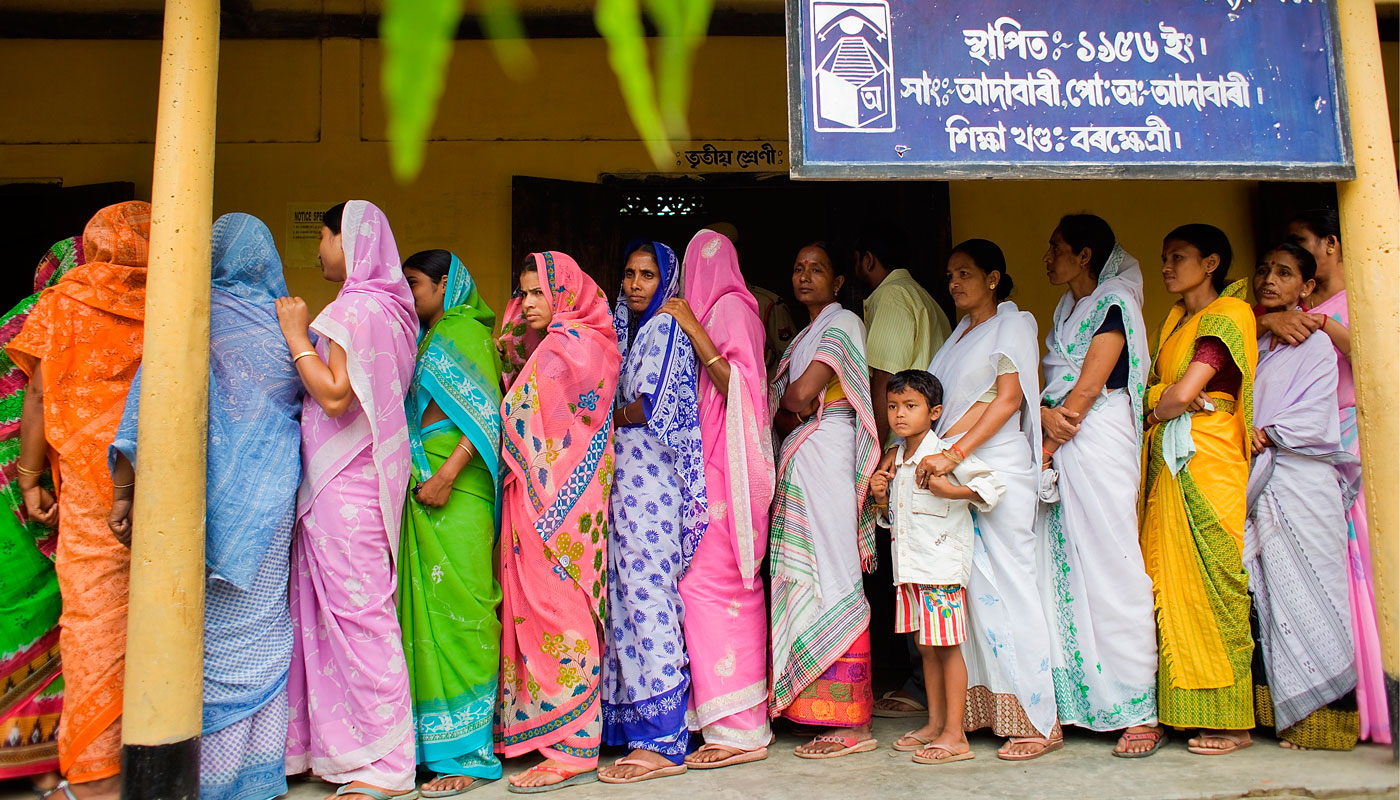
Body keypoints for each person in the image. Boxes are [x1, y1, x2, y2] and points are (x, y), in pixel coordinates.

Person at [108, 213, 302, 800]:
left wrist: (123, 493)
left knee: (212, 638)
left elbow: (148, 405)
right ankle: (259, 775)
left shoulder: (192, 318)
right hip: (272, 505)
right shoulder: (291, 326)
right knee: (263, 627)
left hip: (205, 509)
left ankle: (212, 777)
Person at [8, 201, 152, 800]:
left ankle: (97, 775)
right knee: (164, 614)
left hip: (91, 486)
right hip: (163, 475)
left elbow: (38, 395)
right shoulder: (175, 302)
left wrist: (29, 476)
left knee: (94, 618)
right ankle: (157, 757)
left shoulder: (61, 302)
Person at [278, 201, 419, 799]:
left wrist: (296, 336)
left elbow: (336, 396)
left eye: (325, 237)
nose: (319, 249)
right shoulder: (395, 312)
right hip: (366, 480)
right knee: (353, 616)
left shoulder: (354, 309)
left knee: (358, 621)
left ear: (349, 241)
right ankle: (351, 754)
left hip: (344, 486)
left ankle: (387, 765)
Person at [917, 239, 1058, 760]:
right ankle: (981, 714)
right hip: (956, 468)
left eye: (966, 273)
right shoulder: (957, 337)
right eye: (950, 275)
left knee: (1012, 589)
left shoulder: (1012, 323)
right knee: (972, 596)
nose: (955, 283)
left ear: (993, 278)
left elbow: (1007, 398)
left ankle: (1037, 721)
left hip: (997, 468)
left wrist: (952, 453)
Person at [1035, 215, 1162, 756]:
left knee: (1112, 564)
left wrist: (1048, 440)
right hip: (1064, 433)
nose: (1047, 257)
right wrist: (1045, 418)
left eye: (1056, 247)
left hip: (1098, 434)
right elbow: (1055, 383)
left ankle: (1138, 709)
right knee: (1065, 565)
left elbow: (1088, 386)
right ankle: (1081, 703)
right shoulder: (1066, 308)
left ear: (1085, 255)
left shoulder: (1113, 302)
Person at [1261, 209, 1389, 746]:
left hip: (1340, 446)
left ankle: (1370, 702)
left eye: (1299, 246)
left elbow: (1375, 358)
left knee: (1356, 569)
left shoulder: (1361, 299)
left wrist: (1317, 323)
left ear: (1331, 245)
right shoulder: (1273, 320)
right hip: (1293, 456)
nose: (1273, 276)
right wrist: (1273, 320)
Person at [494, 252, 620, 793]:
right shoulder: (586, 341)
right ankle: (552, 731)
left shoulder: (567, 346)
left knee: (559, 606)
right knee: (545, 606)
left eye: (538, 293)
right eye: (522, 294)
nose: (527, 304)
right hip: (560, 494)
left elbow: (519, 410)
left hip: (556, 503)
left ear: (564, 293)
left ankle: (574, 746)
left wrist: (510, 361)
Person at [1141, 223, 1257, 756]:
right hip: (1172, 460)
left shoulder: (1225, 316)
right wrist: (1166, 399)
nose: (1167, 267)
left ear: (1211, 264)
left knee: (1217, 585)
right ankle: (1181, 712)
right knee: (1166, 583)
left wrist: (1163, 402)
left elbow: (1177, 395)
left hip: (1207, 462)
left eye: (1178, 257)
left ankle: (1233, 722)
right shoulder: (1174, 322)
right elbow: (1160, 394)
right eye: (1165, 257)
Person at [664, 230, 775, 770]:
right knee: (703, 588)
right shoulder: (716, 311)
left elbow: (740, 388)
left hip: (728, 472)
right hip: (708, 467)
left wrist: (694, 329)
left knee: (715, 588)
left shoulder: (732, 311)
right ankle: (718, 719)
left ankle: (741, 729)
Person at [598, 240, 707, 784]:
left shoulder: (664, 327)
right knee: (625, 596)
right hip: (628, 479)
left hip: (652, 483)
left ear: (667, 279)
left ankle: (664, 738)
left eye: (647, 275)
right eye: (629, 274)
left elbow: (650, 405)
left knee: (647, 596)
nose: (636, 284)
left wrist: (599, 419)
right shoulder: (631, 330)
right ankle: (633, 724)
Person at [396, 250, 504, 794]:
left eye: (414, 283)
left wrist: (445, 475)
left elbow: (486, 417)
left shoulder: (466, 334)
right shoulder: (425, 338)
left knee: (466, 610)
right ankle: (434, 744)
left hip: (458, 486)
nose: (407, 292)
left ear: (444, 284)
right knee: (426, 615)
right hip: (424, 482)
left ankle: (469, 754)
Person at [768, 242, 881, 759]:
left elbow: (794, 397)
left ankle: (851, 720)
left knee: (834, 574)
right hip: (807, 452)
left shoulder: (843, 323)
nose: (805, 275)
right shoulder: (804, 335)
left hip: (829, 450)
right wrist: (793, 408)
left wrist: (793, 408)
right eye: (798, 267)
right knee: (803, 573)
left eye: (816, 269)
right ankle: (811, 708)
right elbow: (787, 403)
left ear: (837, 282)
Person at [1247, 242, 1359, 751]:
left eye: (1285, 273)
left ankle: (1325, 726)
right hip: (1261, 483)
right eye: (1264, 270)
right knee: (1270, 600)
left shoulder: (1315, 346)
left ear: (1307, 287)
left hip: (1302, 482)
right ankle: (1282, 717)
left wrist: (1266, 433)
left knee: (1315, 596)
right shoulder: (1255, 340)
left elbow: (1314, 418)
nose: (1270, 280)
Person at [871, 370, 1003, 766]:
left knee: (946, 649)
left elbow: (993, 488)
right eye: (893, 406)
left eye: (910, 406)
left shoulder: (945, 454)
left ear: (934, 412)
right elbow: (895, 520)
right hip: (910, 570)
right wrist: (881, 500)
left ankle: (955, 735)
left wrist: (951, 490)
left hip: (940, 570)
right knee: (926, 648)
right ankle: (934, 724)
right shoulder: (897, 460)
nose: (899, 414)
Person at [0, 237, 83, 794]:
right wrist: (34, 479)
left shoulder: (13, 325)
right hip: (49, 490)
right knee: (52, 615)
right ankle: (45, 762)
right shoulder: (80, 318)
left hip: (12, 492)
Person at [853, 226, 951, 446]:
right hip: (925, 436)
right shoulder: (921, 296)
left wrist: (874, 449)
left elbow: (885, 377)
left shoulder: (892, 296)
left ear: (868, 260)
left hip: (901, 443)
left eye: (856, 262)